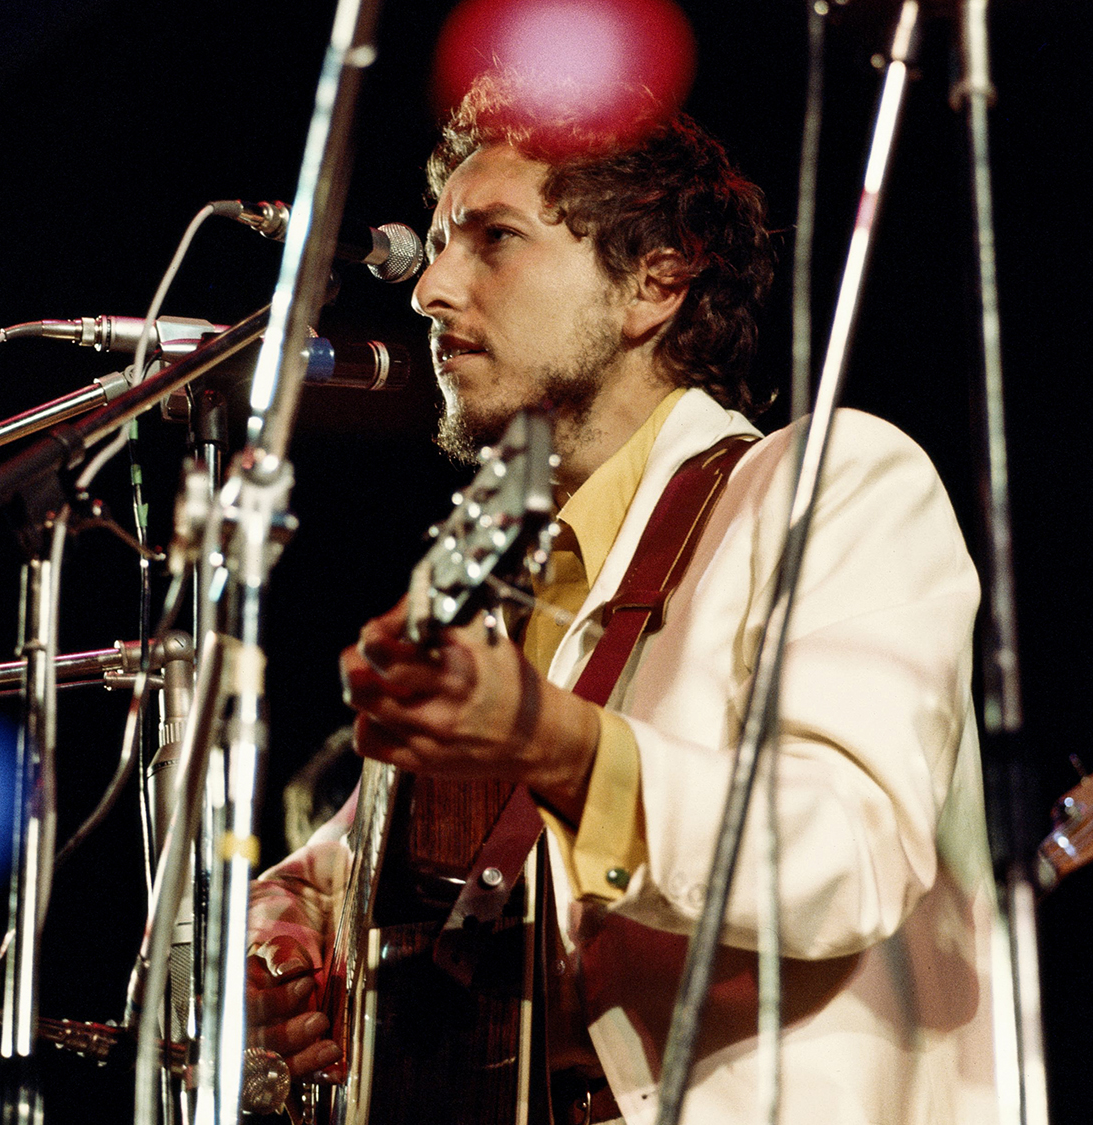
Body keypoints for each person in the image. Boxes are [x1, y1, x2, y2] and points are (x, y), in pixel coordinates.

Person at [247, 73, 998, 1125]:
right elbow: (348, 867)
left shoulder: (828, 482)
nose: (430, 288)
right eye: (438, 240)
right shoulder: (495, 587)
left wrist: (555, 745)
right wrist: (275, 943)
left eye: (492, 238)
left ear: (656, 280)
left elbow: (848, 848)